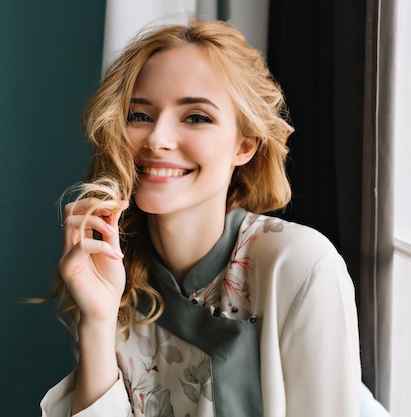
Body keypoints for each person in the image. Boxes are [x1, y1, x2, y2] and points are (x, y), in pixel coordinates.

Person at [39, 20, 390, 417]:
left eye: (196, 117)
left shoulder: (298, 263)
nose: (157, 139)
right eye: (140, 114)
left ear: (245, 144)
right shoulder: (112, 266)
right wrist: (98, 321)